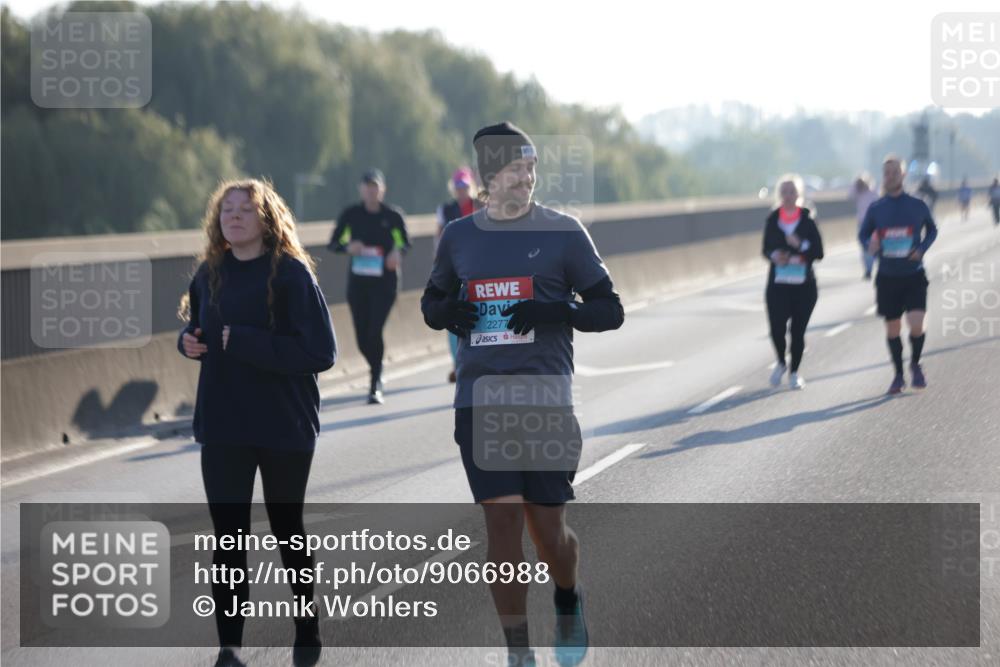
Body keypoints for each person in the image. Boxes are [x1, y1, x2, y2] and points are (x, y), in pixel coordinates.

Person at [421, 122, 624, 667]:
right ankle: (519, 652)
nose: (526, 178)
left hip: (545, 402)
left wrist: (554, 310)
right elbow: (431, 303)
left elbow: (610, 310)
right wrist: (447, 312)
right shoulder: (459, 237)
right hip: (480, 402)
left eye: (531, 167)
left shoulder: (564, 232)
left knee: (548, 532)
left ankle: (567, 595)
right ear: (488, 177)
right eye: (515, 169)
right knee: (503, 524)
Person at [177, 178, 337, 667]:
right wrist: (188, 342)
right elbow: (200, 328)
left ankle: (306, 624)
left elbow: (320, 352)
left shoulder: (291, 274)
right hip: (223, 423)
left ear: (266, 220)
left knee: (287, 528)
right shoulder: (210, 273)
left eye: (245, 209)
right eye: (227, 209)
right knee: (229, 539)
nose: (233, 216)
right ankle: (230, 649)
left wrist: (243, 341)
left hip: (283, 424)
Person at [328, 169, 410, 404]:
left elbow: (403, 242)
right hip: (359, 284)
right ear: (361, 189)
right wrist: (348, 247)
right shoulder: (351, 215)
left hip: (385, 284)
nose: (372, 191)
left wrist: (397, 252)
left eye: (376, 186)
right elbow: (334, 242)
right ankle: (377, 366)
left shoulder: (392, 216)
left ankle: (375, 381)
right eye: (368, 186)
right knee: (362, 337)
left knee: (374, 331)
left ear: (382, 190)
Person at [859, 156, 938, 395]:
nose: (890, 176)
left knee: (916, 324)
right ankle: (898, 375)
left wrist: (921, 249)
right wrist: (870, 245)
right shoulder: (877, 208)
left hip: (913, 274)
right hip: (887, 276)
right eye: (887, 173)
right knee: (893, 329)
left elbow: (932, 230)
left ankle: (915, 363)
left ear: (903, 175)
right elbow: (863, 234)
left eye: (895, 172)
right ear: (883, 177)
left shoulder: (917, 204)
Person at [763, 174, 824, 390]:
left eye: (792, 192)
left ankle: (795, 372)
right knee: (776, 329)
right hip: (778, 285)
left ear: (799, 195)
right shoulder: (773, 220)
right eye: (784, 192)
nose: (788, 196)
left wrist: (801, 245)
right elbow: (765, 249)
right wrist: (774, 255)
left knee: (797, 332)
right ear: (779, 195)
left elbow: (819, 252)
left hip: (803, 286)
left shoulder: (808, 220)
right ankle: (781, 362)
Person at [436, 167, 482, 383]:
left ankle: (478, 358)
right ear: (452, 188)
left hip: (480, 268)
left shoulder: (481, 205)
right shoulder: (445, 210)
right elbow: (439, 239)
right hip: (454, 269)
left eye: (464, 185)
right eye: (458, 186)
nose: (461, 189)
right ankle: (458, 363)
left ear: (470, 185)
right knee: (452, 315)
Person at [850, 174, 879, 279]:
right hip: (862, 223)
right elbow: (849, 195)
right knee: (864, 247)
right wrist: (856, 184)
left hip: (873, 223)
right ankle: (868, 270)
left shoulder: (873, 192)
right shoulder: (858, 193)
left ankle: (874, 264)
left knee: (874, 245)